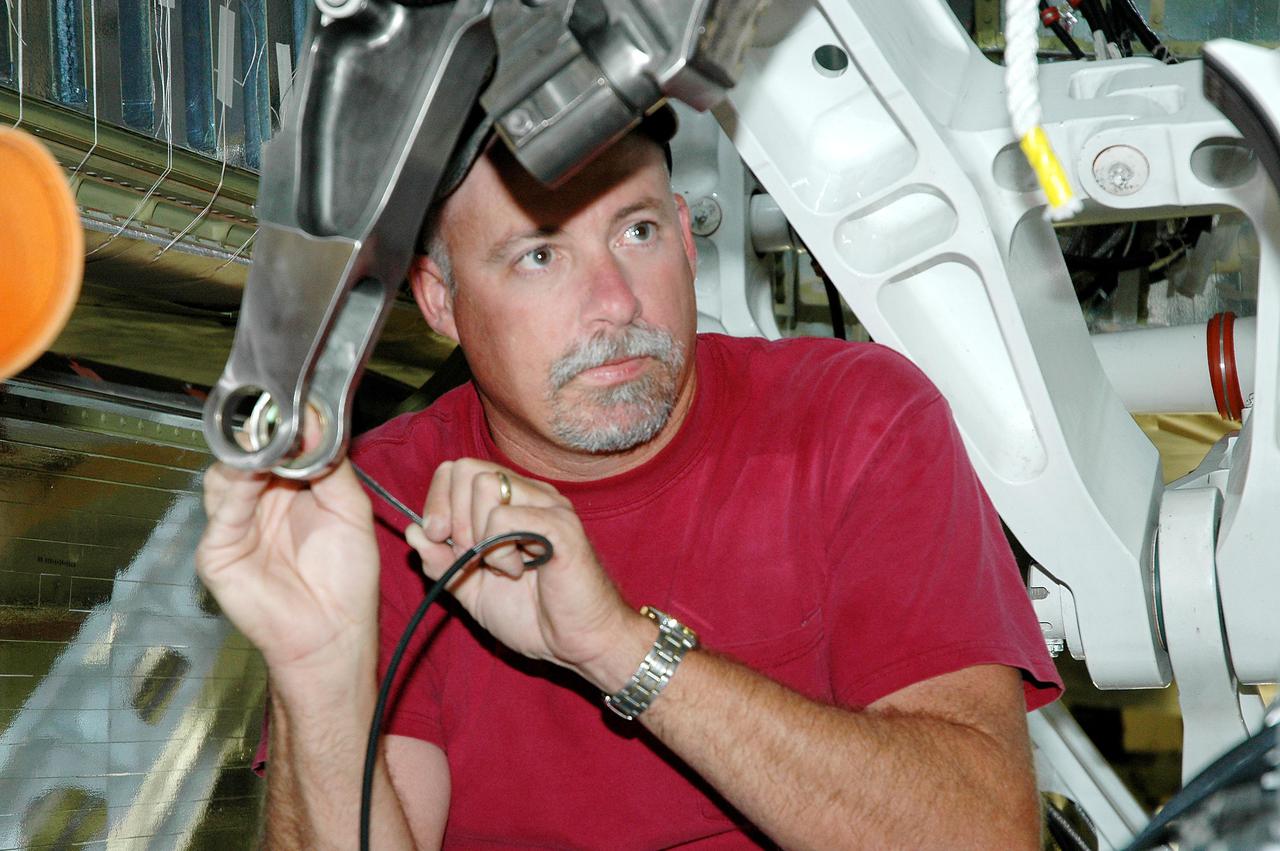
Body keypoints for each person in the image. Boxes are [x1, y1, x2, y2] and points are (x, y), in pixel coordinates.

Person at [197, 109, 1062, 849]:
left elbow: (980, 831)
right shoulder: (381, 507)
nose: (614, 300)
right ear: (439, 299)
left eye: (636, 232)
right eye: (540, 256)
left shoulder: (856, 421)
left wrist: (619, 648)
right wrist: (318, 680)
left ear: (687, 239)